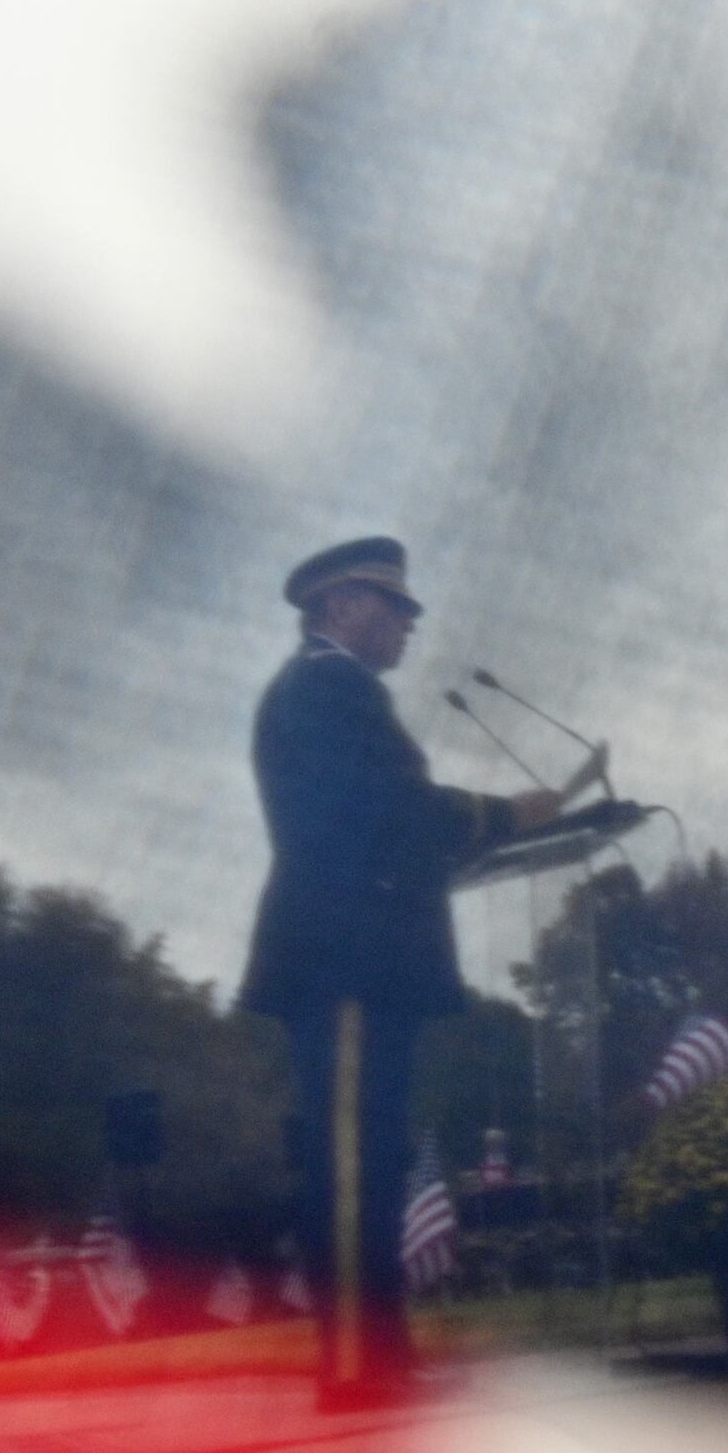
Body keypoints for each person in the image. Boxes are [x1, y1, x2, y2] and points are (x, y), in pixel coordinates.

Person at [237, 538, 562, 1395]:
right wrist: (504, 814)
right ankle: (355, 1361)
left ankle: (376, 1349)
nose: (408, 625)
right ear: (340, 606)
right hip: (344, 959)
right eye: (394, 608)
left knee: (372, 1158)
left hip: (361, 957)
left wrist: (489, 830)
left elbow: (381, 827)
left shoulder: (338, 691)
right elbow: (386, 811)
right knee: (350, 1160)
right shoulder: (325, 688)